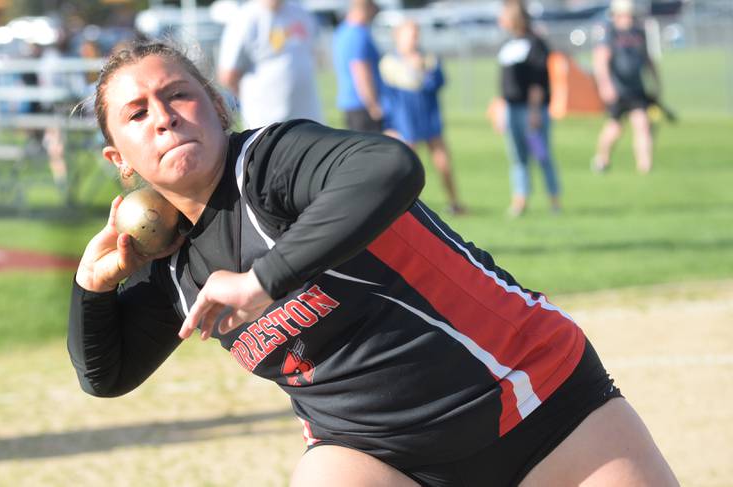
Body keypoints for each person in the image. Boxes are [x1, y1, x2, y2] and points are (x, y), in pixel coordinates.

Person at [68, 40, 679, 486]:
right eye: (137, 112)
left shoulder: (272, 163)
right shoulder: (169, 257)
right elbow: (109, 375)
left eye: (178, 94)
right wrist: (91, 289)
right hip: (377, 458)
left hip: (535, 404)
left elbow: (391, 168)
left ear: (218, 109)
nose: (165, 116)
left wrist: (264, 280)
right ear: (119, 157)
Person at [380, 19, 466, 216]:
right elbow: (387, 96)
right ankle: (407, 207)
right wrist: (389, 124)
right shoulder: (389, 63)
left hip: (428, 116)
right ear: (399, 37)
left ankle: (454, 202)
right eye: (411, 34)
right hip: (405, 119)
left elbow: (438, 82)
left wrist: (424, 71)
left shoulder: (428, 59)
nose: (415, 39)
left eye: (417, 34)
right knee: (409, 165)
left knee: (443, 161)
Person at [497, 0, 561, 217]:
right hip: (512, 110)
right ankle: (520, 200)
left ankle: (554, 200)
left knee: (540, 155)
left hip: (530, 111)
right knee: (518, 157)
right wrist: (500, 109)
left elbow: (538, 81)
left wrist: (534, 112)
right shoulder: (508, 43)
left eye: (504, 15)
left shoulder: (535, 43)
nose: (500, 19)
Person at [217, 0, 323, 129]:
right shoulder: (245, 18)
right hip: (267, 120)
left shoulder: (300, 12)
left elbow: (312, 52)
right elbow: (228, 75)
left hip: (308, 115)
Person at [592, 0, 659, 174]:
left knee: (642, 123)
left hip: (636, 88)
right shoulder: (610, 33)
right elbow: (601, 61)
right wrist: (605, 85)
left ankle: (645, 167)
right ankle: (602, 158)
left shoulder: (638, 33)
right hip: (618, 89)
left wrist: (656, 81)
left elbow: (647, 59)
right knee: (615, 128)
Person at [332, 0, 383, 133]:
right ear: (367, 8)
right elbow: (361, 71)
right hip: (362, 105)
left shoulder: (341, 30)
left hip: (350, 103)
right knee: (372, 150)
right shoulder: (359, 34)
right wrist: (373, 106)